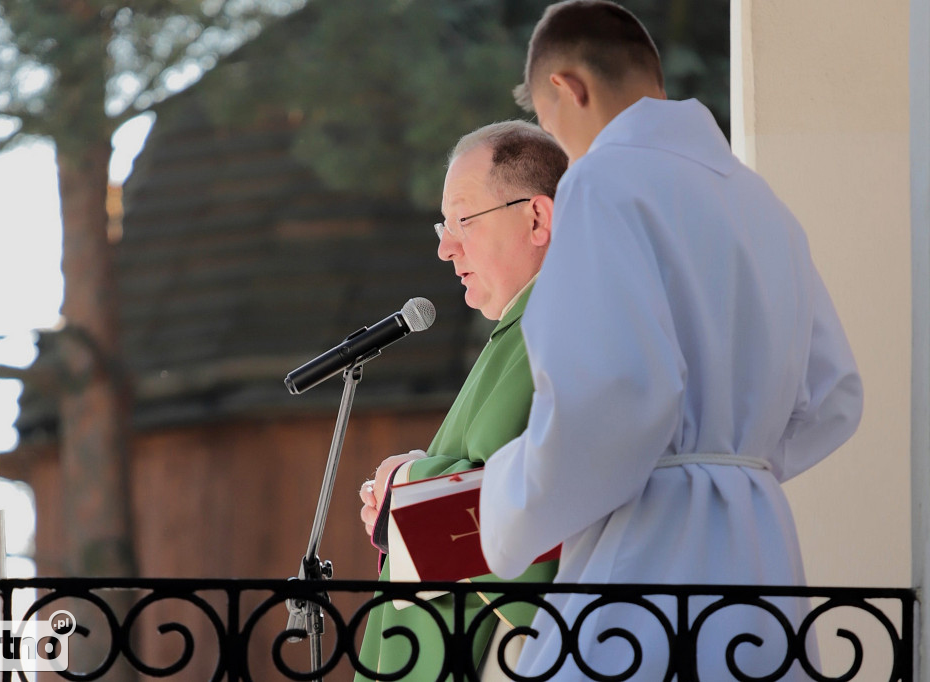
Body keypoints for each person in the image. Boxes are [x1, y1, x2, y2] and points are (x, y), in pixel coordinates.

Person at [478, 2, 864, 680]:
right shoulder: (761, 201)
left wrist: (505, 500)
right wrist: (732, 457)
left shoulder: (600, 182)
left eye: (549, 124)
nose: (563, 150)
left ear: (568, 88)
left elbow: (611, 394)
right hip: (760, 554)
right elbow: (834, 394)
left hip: (651, 551)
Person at [355, 120, 569, 681]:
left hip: (512, 649)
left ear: (537, 218)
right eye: (442, 226)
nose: (446, 249)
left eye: (463, 221)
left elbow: (537, 498)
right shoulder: (527, 323)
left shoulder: (558, 323)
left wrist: (407, 486)